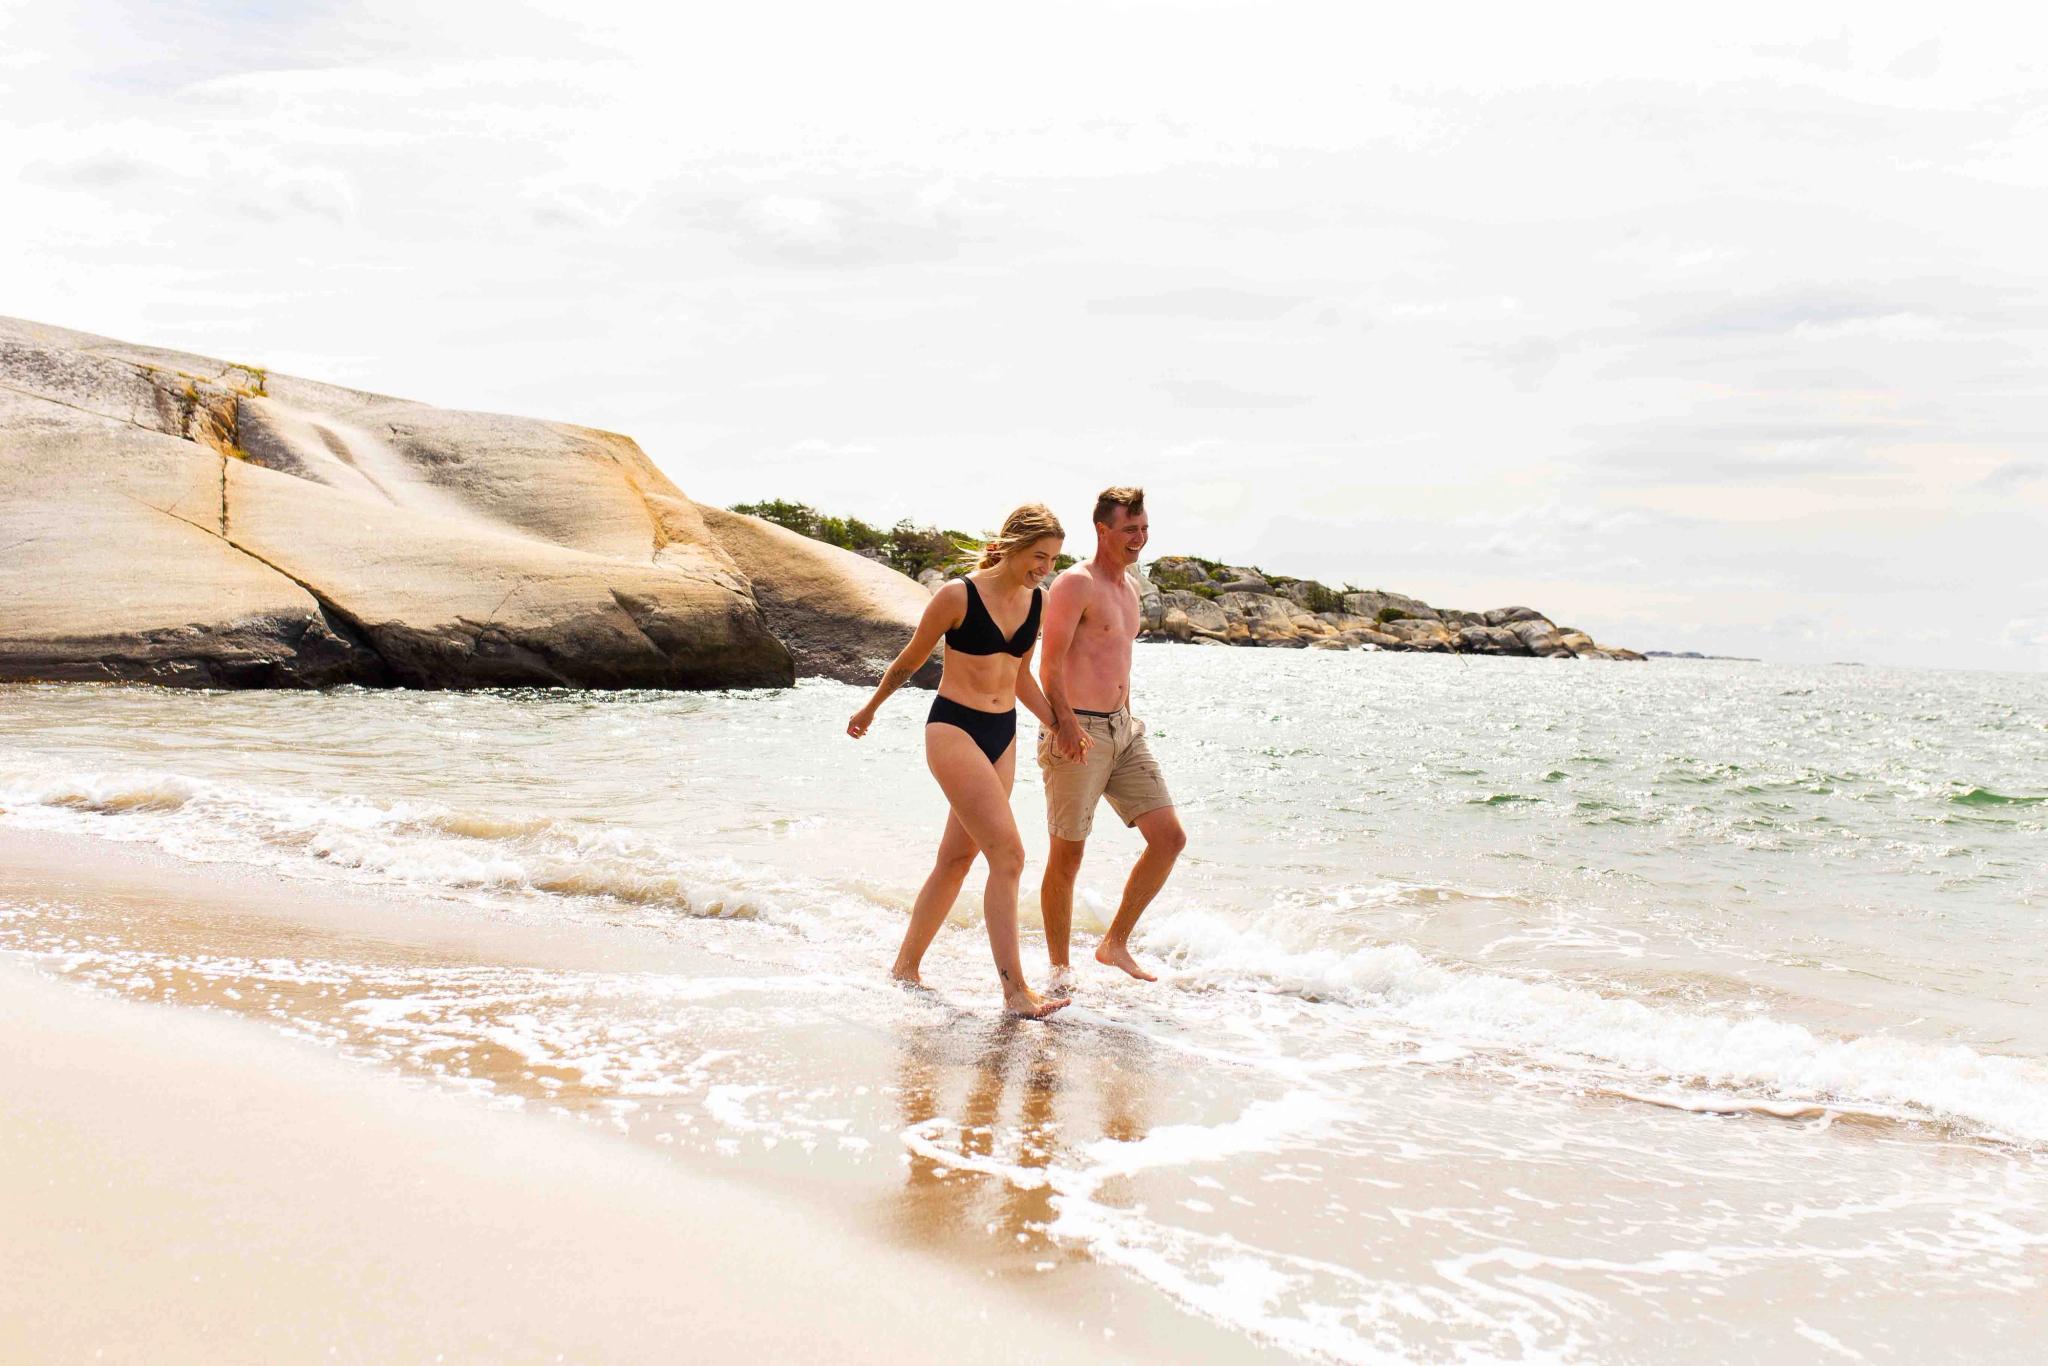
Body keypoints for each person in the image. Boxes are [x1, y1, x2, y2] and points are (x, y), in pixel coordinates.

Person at [847, 504, 1072, 1018]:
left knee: (957, 859)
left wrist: (1058, 722)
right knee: (1009, 856)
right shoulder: (957, 595)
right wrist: (870, 708)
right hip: (953, 728)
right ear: (1013, 544)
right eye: (1039, 556)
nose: (1045, 567)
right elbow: (909, 659)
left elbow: (1019, 677)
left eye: (1053, 559)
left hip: (1004, 733)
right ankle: (1015, 992)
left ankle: (905, 967)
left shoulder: (1038, 601)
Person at [1036, 486, 1186, 987]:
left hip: (1124, 731)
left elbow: (1117, 660)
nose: (1139, 538)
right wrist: (1066, 724)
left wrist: (1125, 716)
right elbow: (1048, 664)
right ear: (1103, 530)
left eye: (1144, 529)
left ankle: (1114, 942)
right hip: (1076, 730)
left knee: (1168, 838)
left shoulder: (1128, 588)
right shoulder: (1075, 584)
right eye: (1130, 530)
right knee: (1068, 854)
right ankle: (1059, 969)